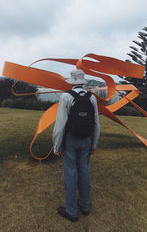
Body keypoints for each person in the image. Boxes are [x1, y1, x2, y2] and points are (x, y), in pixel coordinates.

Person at [52, 69, 100, 222]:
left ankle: (72, 211)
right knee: (84, 171)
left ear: (72, 81)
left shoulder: (66, 96)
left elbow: (60, 124)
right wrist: (94, 144)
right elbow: (96, 123)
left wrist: (57, 145)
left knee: (70, 174)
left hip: (70, 141)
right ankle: (85, 206)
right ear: (83, 81)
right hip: (86, 140)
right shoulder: (91, 97)